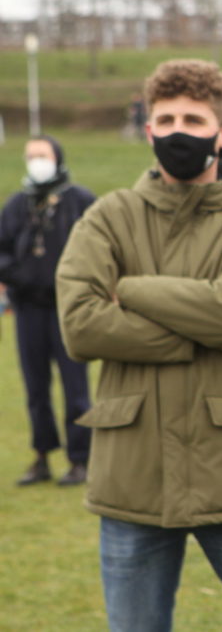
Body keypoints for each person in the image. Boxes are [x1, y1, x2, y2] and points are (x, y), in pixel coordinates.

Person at [55, 59, 222, 632]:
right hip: (131, 476)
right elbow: (80, 326)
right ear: (148, 130)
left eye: (193, 118)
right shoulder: (107, 218)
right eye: (165, 118)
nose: (177, 130)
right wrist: (196, 329)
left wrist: (133, 289)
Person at [0, 134, 94, 486]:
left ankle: (80, 459)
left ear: (57, 156)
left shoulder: (80, 200)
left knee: (76, 388)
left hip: (69, 309)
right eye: (30, 155)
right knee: (35, 387)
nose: (36, 161)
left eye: (42, 154)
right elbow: (2, 248)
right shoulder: (16, 205)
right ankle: (41, 457)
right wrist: (17, 274)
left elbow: (100, 246)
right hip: (28, 310)